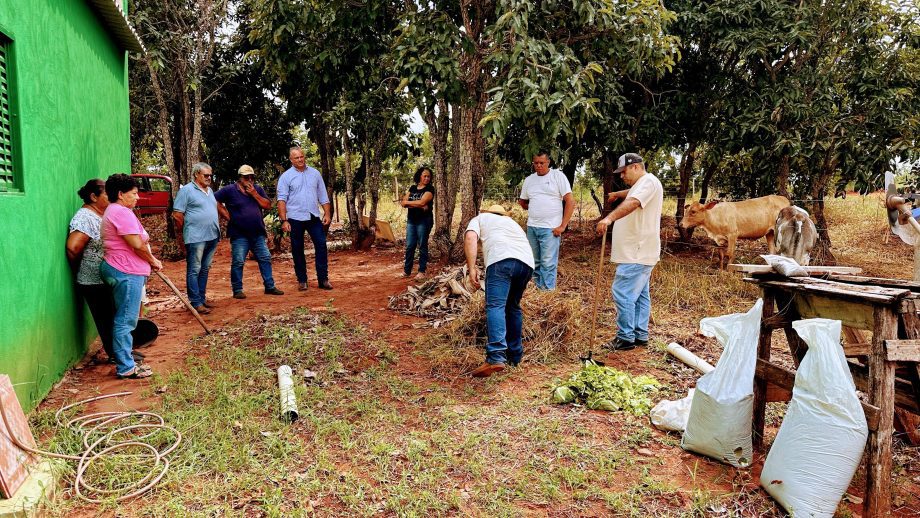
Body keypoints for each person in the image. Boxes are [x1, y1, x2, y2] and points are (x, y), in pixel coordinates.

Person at [595, 153, 663, 351]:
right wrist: (618, 194)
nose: (621, 176)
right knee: (640, 295)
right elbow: (632, 192)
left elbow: (633, 201)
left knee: (623, 292)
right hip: (641, 252)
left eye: (623, 172)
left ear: (635, 167)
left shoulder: (648, 182)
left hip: (636, 252)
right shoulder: (644, 184)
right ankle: (639, 334)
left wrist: (609, 219)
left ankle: (625, 337)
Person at [100, 174, 162, 379]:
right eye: (134, 194)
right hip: (125, 271)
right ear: (120, 194)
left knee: (125, 318)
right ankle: (126, 367)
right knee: (125, 320)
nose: (137, 198)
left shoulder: (117, 211)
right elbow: (136, 244)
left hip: (123, 269)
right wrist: (153, 260)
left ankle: (126, 360)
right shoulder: (120, 212)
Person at [464, 205, 535, 377]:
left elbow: (470, 238)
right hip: (526, 264)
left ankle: (496, 356)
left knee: (495, 306)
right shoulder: (511, 223)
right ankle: (515, 356)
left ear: (486, 213)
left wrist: (472, 268)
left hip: (501, 261)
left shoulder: (480, 219)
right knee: (513, 307)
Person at [215, 164, 284, 299]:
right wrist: (225, 214)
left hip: (257, 232)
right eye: (246, 177)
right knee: (238, 261)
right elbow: (213, 198)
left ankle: (269, 286)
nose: (250, 180)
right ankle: (237, 289)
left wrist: (254, 194)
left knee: (265, 258)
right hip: (239, 233)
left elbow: (268, 205)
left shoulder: (257, 189)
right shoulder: (229, 190)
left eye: (252, 177)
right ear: (240, 178)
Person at [66, 179, 116, 360]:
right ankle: (115, 355)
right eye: (107, 194)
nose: (111, 198)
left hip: (103, 277)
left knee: (111, 315)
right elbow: (73, 247)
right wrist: (81, 267)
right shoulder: (85, 217)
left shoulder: (99, 215)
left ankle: (119, 352)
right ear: (93, 197)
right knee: (105, 318)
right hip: (92, 279)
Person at [277, 146, 333, 291]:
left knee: (321, 245)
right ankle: (302, 280)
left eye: (302, 156)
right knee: (297, 248)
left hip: (313, 216)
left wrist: (327, 214)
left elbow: (323, 196)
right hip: (295, 218)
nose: (300, 159)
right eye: (297, 158)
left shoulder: (315, 173)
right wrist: (284, 220)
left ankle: (323, 279)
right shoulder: (286, 177)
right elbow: (281, 200)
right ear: (291, 160)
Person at [517, 151, 574, 290]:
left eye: (542, 163)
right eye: (536, 163)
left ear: (548, 162)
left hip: (551, 228)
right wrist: (536, 207)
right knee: (534, 262)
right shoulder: (529, 180)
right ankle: (538, 290)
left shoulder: (557, 176)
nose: (539, 166)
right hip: (532, 227)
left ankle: (548, 293)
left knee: (548, 263)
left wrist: (562, 226)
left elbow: (570, 201)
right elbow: (522, 201)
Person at [173, 162, 220, 314]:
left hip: (212, 236)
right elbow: (177, 214)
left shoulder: (210, 191)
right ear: (196, 175)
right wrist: (185, 232)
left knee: (204, 269)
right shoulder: (186, 190)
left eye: (210, 175)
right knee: (194, 269)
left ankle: (202, 298)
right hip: (195, 237)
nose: (209, 178)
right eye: (206, 175)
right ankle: (195, 302)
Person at [401, 166, 435, 279]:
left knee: (422, 245)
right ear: (419, 176)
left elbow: (421, 202)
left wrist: (410, 202)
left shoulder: (430, 189)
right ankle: (407, 271)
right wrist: (418, 204)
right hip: (412, 220)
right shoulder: (413, 188)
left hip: (424, 221)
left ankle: (422, 271)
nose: (427, 178)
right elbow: (403, 203)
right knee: (410, 245)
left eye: (428, 176)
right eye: (424, 176)